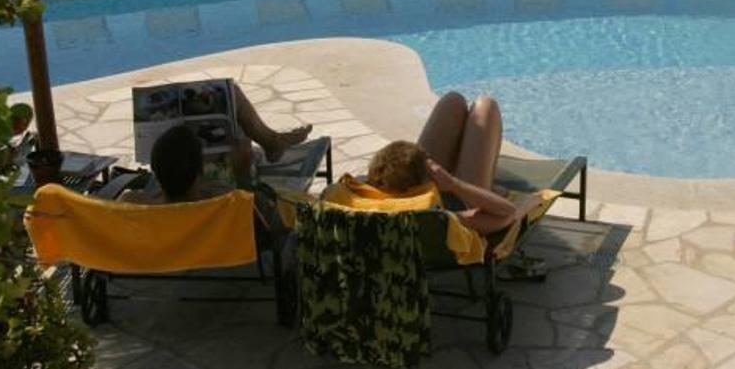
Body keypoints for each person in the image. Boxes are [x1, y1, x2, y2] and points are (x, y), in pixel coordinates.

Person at [325, 92, 542, 234]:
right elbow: (506, 212)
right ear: (428, 180)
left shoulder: (349, 199)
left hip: (404, 195)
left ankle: (486, 182)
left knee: (453, 101)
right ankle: (487, 185)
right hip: (462, 200)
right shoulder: (440, 218)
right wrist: (454, 184)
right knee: (485, 106)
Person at [121, 84, 311, 204]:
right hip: (218, 260)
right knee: (232, 98)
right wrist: (242, 174)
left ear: (155, 168)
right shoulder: (221, 203)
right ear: (200, 172)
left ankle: (272, 142)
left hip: (160, 263)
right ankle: (272, 142)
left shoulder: (133, 204)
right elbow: (261, 212)